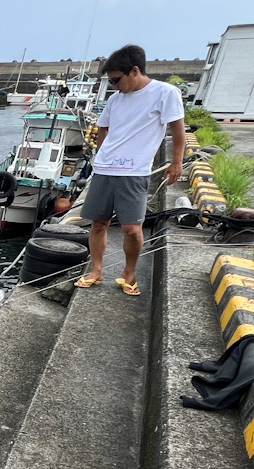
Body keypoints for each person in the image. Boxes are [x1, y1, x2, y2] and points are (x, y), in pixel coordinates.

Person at [74, 45, 185, 295]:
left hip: (134, 171)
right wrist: (102, 155)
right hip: (105, 169)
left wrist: (177, 162)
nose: (113, 85)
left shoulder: (165, 93)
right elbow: (103, 128)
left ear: (134, 71)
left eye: (115, 79)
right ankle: (96, 269)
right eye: (110, 81)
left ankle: (130, 272)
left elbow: (178, 129)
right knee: (98, 223)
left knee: (132, 228)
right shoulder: (115, 100)